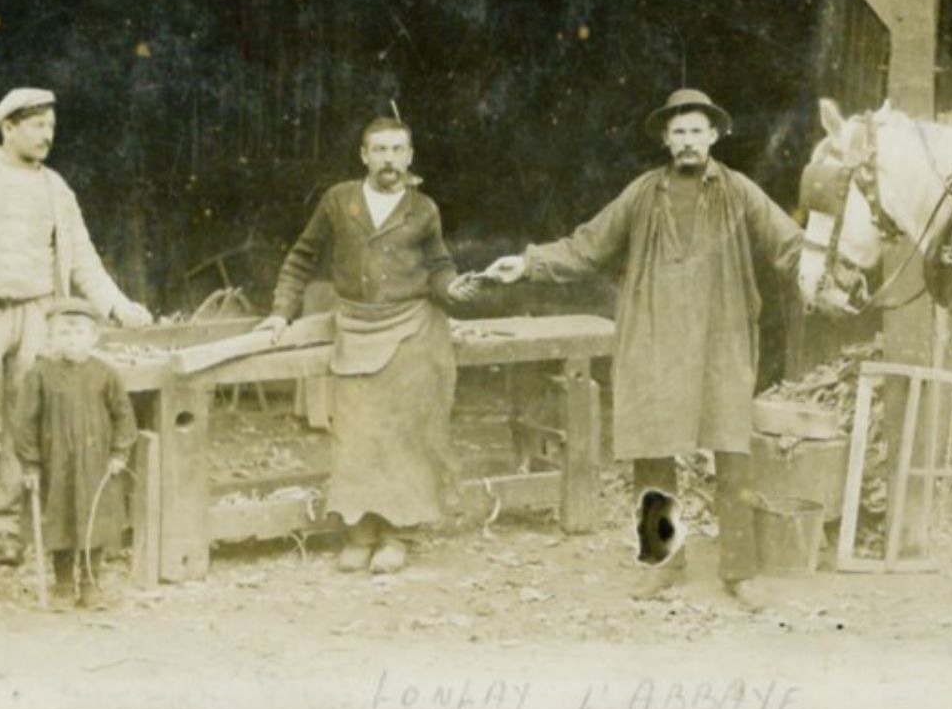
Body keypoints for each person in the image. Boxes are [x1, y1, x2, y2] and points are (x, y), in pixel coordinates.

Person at [487, 89, 803, 610]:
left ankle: (739, 572)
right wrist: (527, 263)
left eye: (697, 131)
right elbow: (587, 246)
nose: (687, 141)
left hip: (722, 335)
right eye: (678, 132)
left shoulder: (740, 190)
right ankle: (663, 562)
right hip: (655, 333)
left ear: (715, 136)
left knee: (733, 452)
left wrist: (824, 273)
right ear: (665, 139)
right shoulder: (642, 193)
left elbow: (787, 242)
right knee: (654, 448)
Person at [0, 88, 152, 575]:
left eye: (52, 128)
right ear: (8, 126)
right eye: (38, 126)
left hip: (39, 316)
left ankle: (7, 527)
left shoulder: (56, 188)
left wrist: (119, 307)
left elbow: (82, 257)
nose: (47, 136)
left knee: (29, 422)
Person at [259, 117, 478, 575]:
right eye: (379, 150)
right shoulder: (340, 201)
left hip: (413, 329)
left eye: (398, 150)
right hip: (356, 327)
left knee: (405, 435)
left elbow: (439, 266)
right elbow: (301, 256)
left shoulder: (423, 209)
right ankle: (359, 532)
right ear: (363, 155)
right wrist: (281, 311)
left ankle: (398, 534)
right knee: (356, 432)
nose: (389, 160)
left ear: (410, 156)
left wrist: (452, 287)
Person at [14, 298, 137, 607]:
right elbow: (24, 421)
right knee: (60, 518)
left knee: (94, 518)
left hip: (95, 464)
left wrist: (120, 453)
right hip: (56, 464)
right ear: (52, 338)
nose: (72, 340)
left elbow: (124, 416)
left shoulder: (106, 375)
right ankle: (64, 584)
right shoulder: (40, 374)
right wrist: (30, 463)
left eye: (79, 333)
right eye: (64, 334)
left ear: (93, 337)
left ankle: (91, 583)